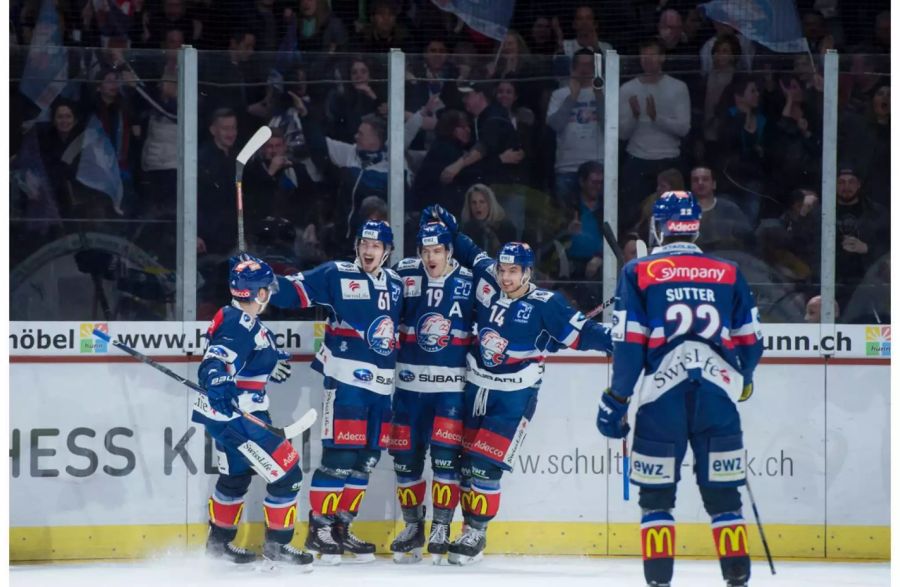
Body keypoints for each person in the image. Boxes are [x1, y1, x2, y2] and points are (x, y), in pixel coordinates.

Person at [420, 204, 613, 565]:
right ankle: (448, 527)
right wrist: (447, 226)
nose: (505, 278)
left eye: (513, 272)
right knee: (458, 464)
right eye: (502, 270)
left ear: (527, 273)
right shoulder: (489, 279)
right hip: (474, 389)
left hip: (513, 396)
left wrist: (620, 342)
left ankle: (475, 533)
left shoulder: (547, 304)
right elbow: (467, 251)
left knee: (484, 467)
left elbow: (585, 333)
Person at [596, 190, 763, 587]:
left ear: (658, 227)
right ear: (695, 225)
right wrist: (744, 381)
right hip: (716, 399)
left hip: (661, 401)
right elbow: (752, 341)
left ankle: (659, 581)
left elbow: (630, 347)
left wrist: (616, 400)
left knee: (656, 499)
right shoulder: (728, 271)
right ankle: (737, 577)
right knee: (725, 498)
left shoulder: (638, 272)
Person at [269, 220, 403, 564]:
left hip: (382, 386)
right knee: (341, 456)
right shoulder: (337, 274)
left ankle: (343, 526)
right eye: (364, 244)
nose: (368, 250)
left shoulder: (397, 284)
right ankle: (320, 528)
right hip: (346, 381)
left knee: (366, 460)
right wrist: (261, 277)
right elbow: (291, 291)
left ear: (387, 251)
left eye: (375, 246)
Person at [196, 255, 313, 568]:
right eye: (267, 288)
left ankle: (218, 546)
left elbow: (240, 352)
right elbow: (215, 360)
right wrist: (217, 378)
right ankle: (278, 547)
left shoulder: (231, 314)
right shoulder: (240, 323)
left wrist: (268, 360)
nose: (271, 293)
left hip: (228, 420)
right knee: (289, 475)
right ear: (259, 293)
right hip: (243, 419)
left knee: (235, 479)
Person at [388, 222, 475, 564]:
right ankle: (413, 527)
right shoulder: (405, 273)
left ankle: (441, 526)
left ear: (449, 252)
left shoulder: (469, 281)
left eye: (436, 251)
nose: (430, 257)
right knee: (405, 462)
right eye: (424, 251)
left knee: (444, 462)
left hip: (450, 390)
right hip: (408, 388)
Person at [619, 38, 691, 231]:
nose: (647, 59)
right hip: (638, 160)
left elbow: (684, 128)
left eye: (652, 54)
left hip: (668, 161)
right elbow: (622, 134)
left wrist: (655, 117)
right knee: (635, 217)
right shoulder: (627, 89)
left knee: (672, 218)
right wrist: (635, 116)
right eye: (644, 54)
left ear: (662, 57)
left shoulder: (678, 87)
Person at [546, 48, 604, 206]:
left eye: (589, 65)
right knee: (567, 221)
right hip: (567, 166)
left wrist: (599, 96)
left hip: (596, 165)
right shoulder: (559, 94)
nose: (584, 69)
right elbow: (555, 125)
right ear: (573, 68)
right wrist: (572, 97)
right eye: (580, 65)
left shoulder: (605, 93)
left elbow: (610, 127)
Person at [459, 184, 517, 258]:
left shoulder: (506, 227)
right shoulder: (466, 229)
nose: (477, 206)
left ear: (490, 204)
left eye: (482, 202)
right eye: (474, 203)